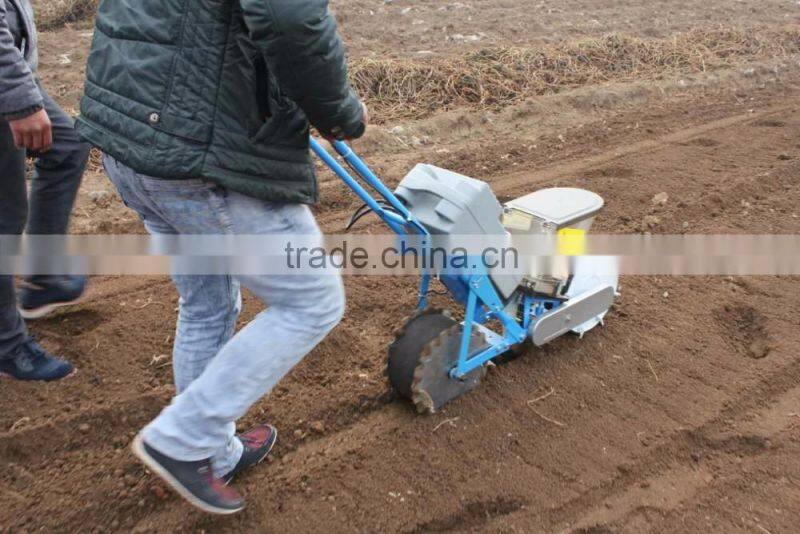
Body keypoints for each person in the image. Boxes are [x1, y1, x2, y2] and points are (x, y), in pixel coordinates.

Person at [76, 0, 368, 514]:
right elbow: (290, 18)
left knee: (207, 304)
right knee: (311, 301)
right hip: (204, 157)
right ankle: (182, 439)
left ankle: (213, 452)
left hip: (130, 141)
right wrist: (341, 113)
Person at [0, 0, 89, 381]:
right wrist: (19, 100)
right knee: (5, 218)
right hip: (7, 86)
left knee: (67, 147)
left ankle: (43, 277)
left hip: (13, 73)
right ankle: (8, 346)